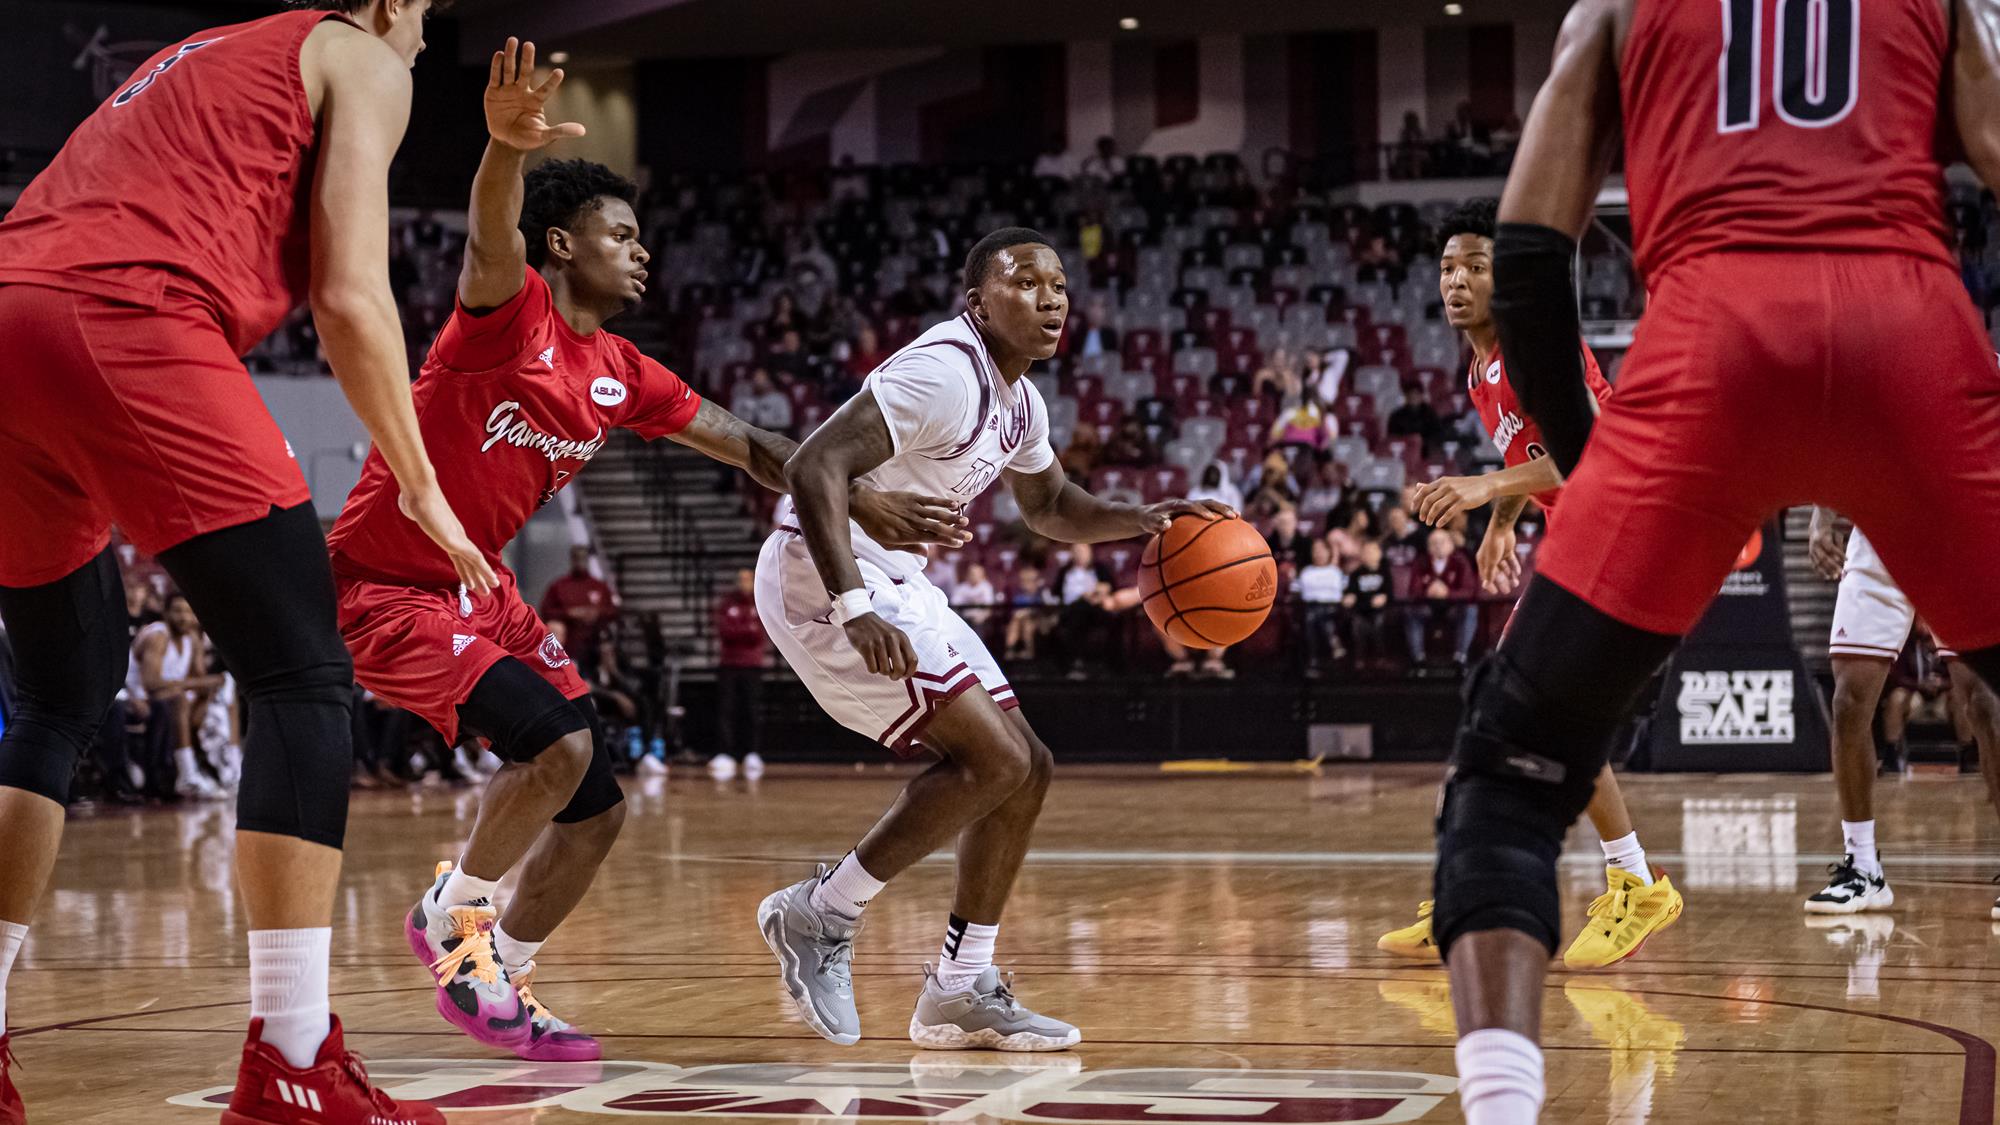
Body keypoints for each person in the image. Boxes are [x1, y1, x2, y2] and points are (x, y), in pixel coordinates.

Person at [324, 44, 966, 1066]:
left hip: (478, 588)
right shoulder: (505, 316)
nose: (640, 252)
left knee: (597, 808)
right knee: (558, 749)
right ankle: (454, 920)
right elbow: (491, 232)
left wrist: (862, 497)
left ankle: (502, 972)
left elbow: (749, 441)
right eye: (620, 234)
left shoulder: (620, 370)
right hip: (384, 584)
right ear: (562, 244)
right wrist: (500, 148)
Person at [1428, 4, 2000, 1123]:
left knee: (1507, 774)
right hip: (1907, 334)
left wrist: (1590, 469)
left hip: (1711, 344)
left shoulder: (1615, 5)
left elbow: (1534, 247)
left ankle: (1501, 1108)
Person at [0, 2, 493, 1120]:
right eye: (424, 14)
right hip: (124, 315)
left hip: (10, 316)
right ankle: (294, 1059)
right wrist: (419, 483)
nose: (422, 38)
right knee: (302, 672)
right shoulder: (357, 51)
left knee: (58, 697)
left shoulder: (210, 52)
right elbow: (352, 295)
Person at [756, 226, 1233, 1051]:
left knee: (1027, 767)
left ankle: (959, 986)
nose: (1051, 297)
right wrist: (851, 606)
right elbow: (811, 467)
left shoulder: (1018, 400)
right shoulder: (943, 371)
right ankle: (820, 912)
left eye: (1059, 285)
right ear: (976, 301)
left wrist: (1144, 520)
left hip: (900, 578)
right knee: (995, 761)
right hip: (824, 573)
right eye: (1026, 281)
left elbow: (1049, 506)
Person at [1384, 198, 1679, 973]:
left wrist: (1483, 489)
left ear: (1503, 275)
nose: (1457, 281)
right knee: (1514, 707)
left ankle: (1633, 883)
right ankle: (1474, 882)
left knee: (1538, 709)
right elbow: (1537, 449)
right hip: (1585, 532)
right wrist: (1503, 519)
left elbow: (1586, 455)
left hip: (1629, 525)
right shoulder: (1481, 359)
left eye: (1475, 267)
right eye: (1448, 267)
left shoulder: (1526, 344)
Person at [1804, 508, 2000, 916]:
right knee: (1848, 701)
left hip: (1961, 530)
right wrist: (1821, 517)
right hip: (1880, 535)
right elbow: (1835, 443)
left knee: (1984, 699)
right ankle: (1862, 869)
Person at [713, 568, 768, 782]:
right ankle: (725, 753)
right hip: (729, 664)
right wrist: (746, 631)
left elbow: (759, 633)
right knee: (726, 710)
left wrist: (742, 632)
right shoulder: (728, 603)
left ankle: (752, 753)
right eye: (741, 579)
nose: (743, 583)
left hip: (752, 665)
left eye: (747, 579)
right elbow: (725, 631)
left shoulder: (758, 602)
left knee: (751, 711)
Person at [1402, 529, 1480, 673]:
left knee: (1470, 610)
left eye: (1442, 542)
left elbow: (1469, 591)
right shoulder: (1421, 561)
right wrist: (1428, 592)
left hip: (1453, 607)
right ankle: (1418, 659)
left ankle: (1460, 657)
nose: (1438, 546)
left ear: (1451, 545)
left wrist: (1447, 593)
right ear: (1428, 546)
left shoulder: (1460, 561)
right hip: (1427, 606)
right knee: (1410, 612)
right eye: (1434, 543)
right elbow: (1413, 591)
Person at [540, 547, 620, 673]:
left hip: (595, 639)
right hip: (570, 639)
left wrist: (596, 613)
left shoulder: (599, 586)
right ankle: (554, 669)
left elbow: (613, 611)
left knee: (606, 645)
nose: (580, 561)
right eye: (577, 558)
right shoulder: (559, 586)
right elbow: (546, 611)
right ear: (572, 560)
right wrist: (569, 613)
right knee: (554, 628)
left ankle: (609, 676)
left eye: (583, 558)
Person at [1296, 539, 1348, 672]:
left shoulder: (1335, 572)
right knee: (1312, 616)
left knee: (1318, 616)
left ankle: (1314, 660)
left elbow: (1345, 592)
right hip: (1310, 608)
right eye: (1315, 550)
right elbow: (1297, 591)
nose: (1318, 554)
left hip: (1333, 609)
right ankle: (1334, 643)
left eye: (1322, 550)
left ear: (1328, 552)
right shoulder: (1306, 571)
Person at [1344, 540, 1394, 671]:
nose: (1369, 554)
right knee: (1357, 625)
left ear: (1379, 553)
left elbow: (1389, 594)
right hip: (1361, 611)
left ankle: (1382, 658)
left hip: (1381, 611)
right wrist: (1349, 597)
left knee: (1379, 623)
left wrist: (1384, 597)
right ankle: (1359, 660)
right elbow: (1351, 593)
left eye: (1372, 551)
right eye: (1365, 552)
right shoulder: (1356, 574)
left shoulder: (1385, 571)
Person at [730, 367, 796, 436]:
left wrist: (763, 421)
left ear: (769, 380)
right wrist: (750, 419)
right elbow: (733, 419)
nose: (758, 381)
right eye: (755, 378)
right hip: (747, 434)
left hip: (772, 434)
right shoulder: (743, 398)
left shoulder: (780, 398)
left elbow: (786, 421)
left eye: (762, 378)